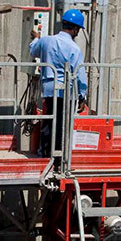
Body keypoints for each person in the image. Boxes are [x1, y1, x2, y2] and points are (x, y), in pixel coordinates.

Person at [29, 9, 87, 158]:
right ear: (74, 28)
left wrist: (36, 38)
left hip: (48, 88)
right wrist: (82, 96)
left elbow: (33, 51)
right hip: (65, 91)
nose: (78, 33)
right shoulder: (74, 48)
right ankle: (58, 157)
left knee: (48, 120)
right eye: (78, 29)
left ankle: (44, 154)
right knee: (62, 124)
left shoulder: (46, 41)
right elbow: (80, 74)